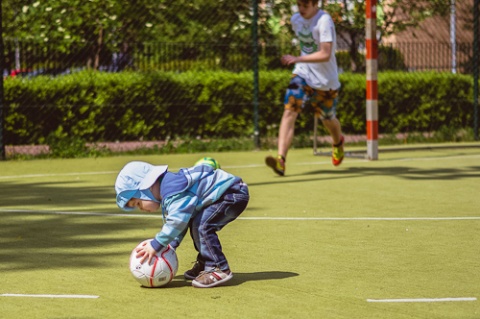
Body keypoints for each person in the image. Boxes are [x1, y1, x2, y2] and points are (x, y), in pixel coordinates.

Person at [115, 161, 249, 288]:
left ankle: (218, 268)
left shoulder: (173, 191)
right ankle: (205, 263)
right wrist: (170, 245)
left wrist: (157, 244)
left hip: (231, 194)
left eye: (138, 203)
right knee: (196, 222)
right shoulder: (169, 189)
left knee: (202, 226)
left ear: (147, 187)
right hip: (226, 194)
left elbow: (177, 222)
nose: (141, 209)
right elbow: (183, 221)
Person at [265, 0, 344, 176]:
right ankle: (281, 160)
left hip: (326, 81)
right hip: (302, 74)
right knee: (289, 111)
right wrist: (299, 61)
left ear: (315, 4)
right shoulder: (296, 20)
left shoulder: (324, 21)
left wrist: (298, 58)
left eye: (305, 6)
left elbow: (325, 53)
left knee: (327, 119)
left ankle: (338, 142)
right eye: (299, 5)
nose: (301, 10)